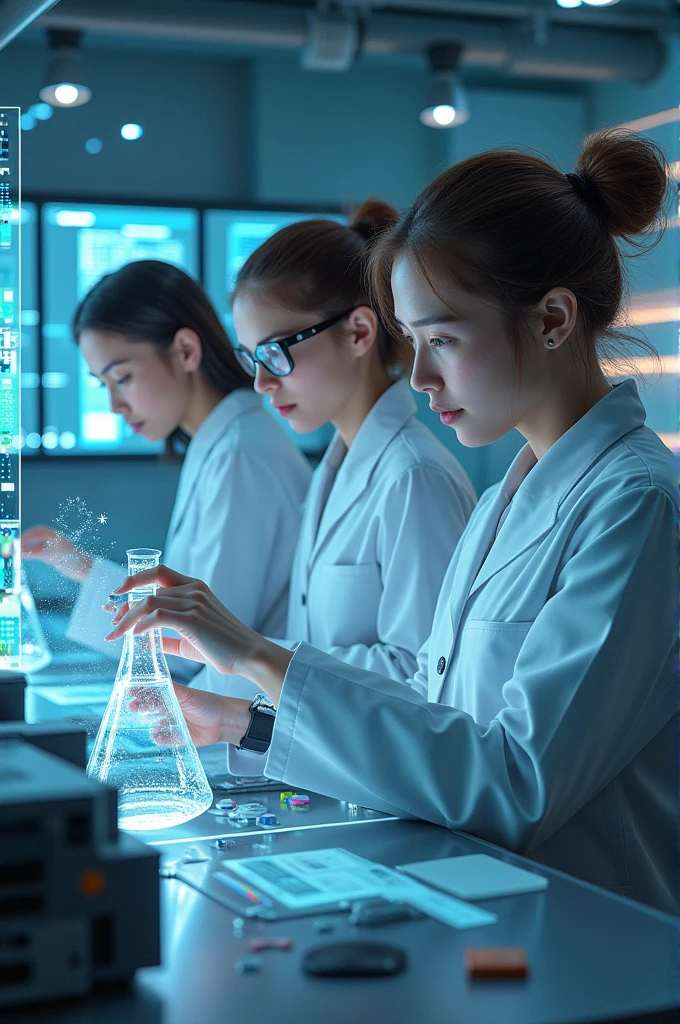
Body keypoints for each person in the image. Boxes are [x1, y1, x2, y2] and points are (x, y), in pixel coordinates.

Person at [106, 132, 678, 914]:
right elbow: (429, 690)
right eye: (414, 341)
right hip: (501, 898)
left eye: (442, 339)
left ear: (551, 319)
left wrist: (256, 655)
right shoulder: (506, 501)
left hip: (604, 927)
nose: (420, 375)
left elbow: (517, 783)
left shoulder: (637, 503)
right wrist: (250, 718)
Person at [23, 260, 312, 676]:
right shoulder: (221, 443)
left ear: (186, 351)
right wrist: (81, 567)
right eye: (102, 385)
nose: (114, 406)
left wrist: (88, 575)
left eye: (121, 377)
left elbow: (203, 646)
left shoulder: (240, 456)